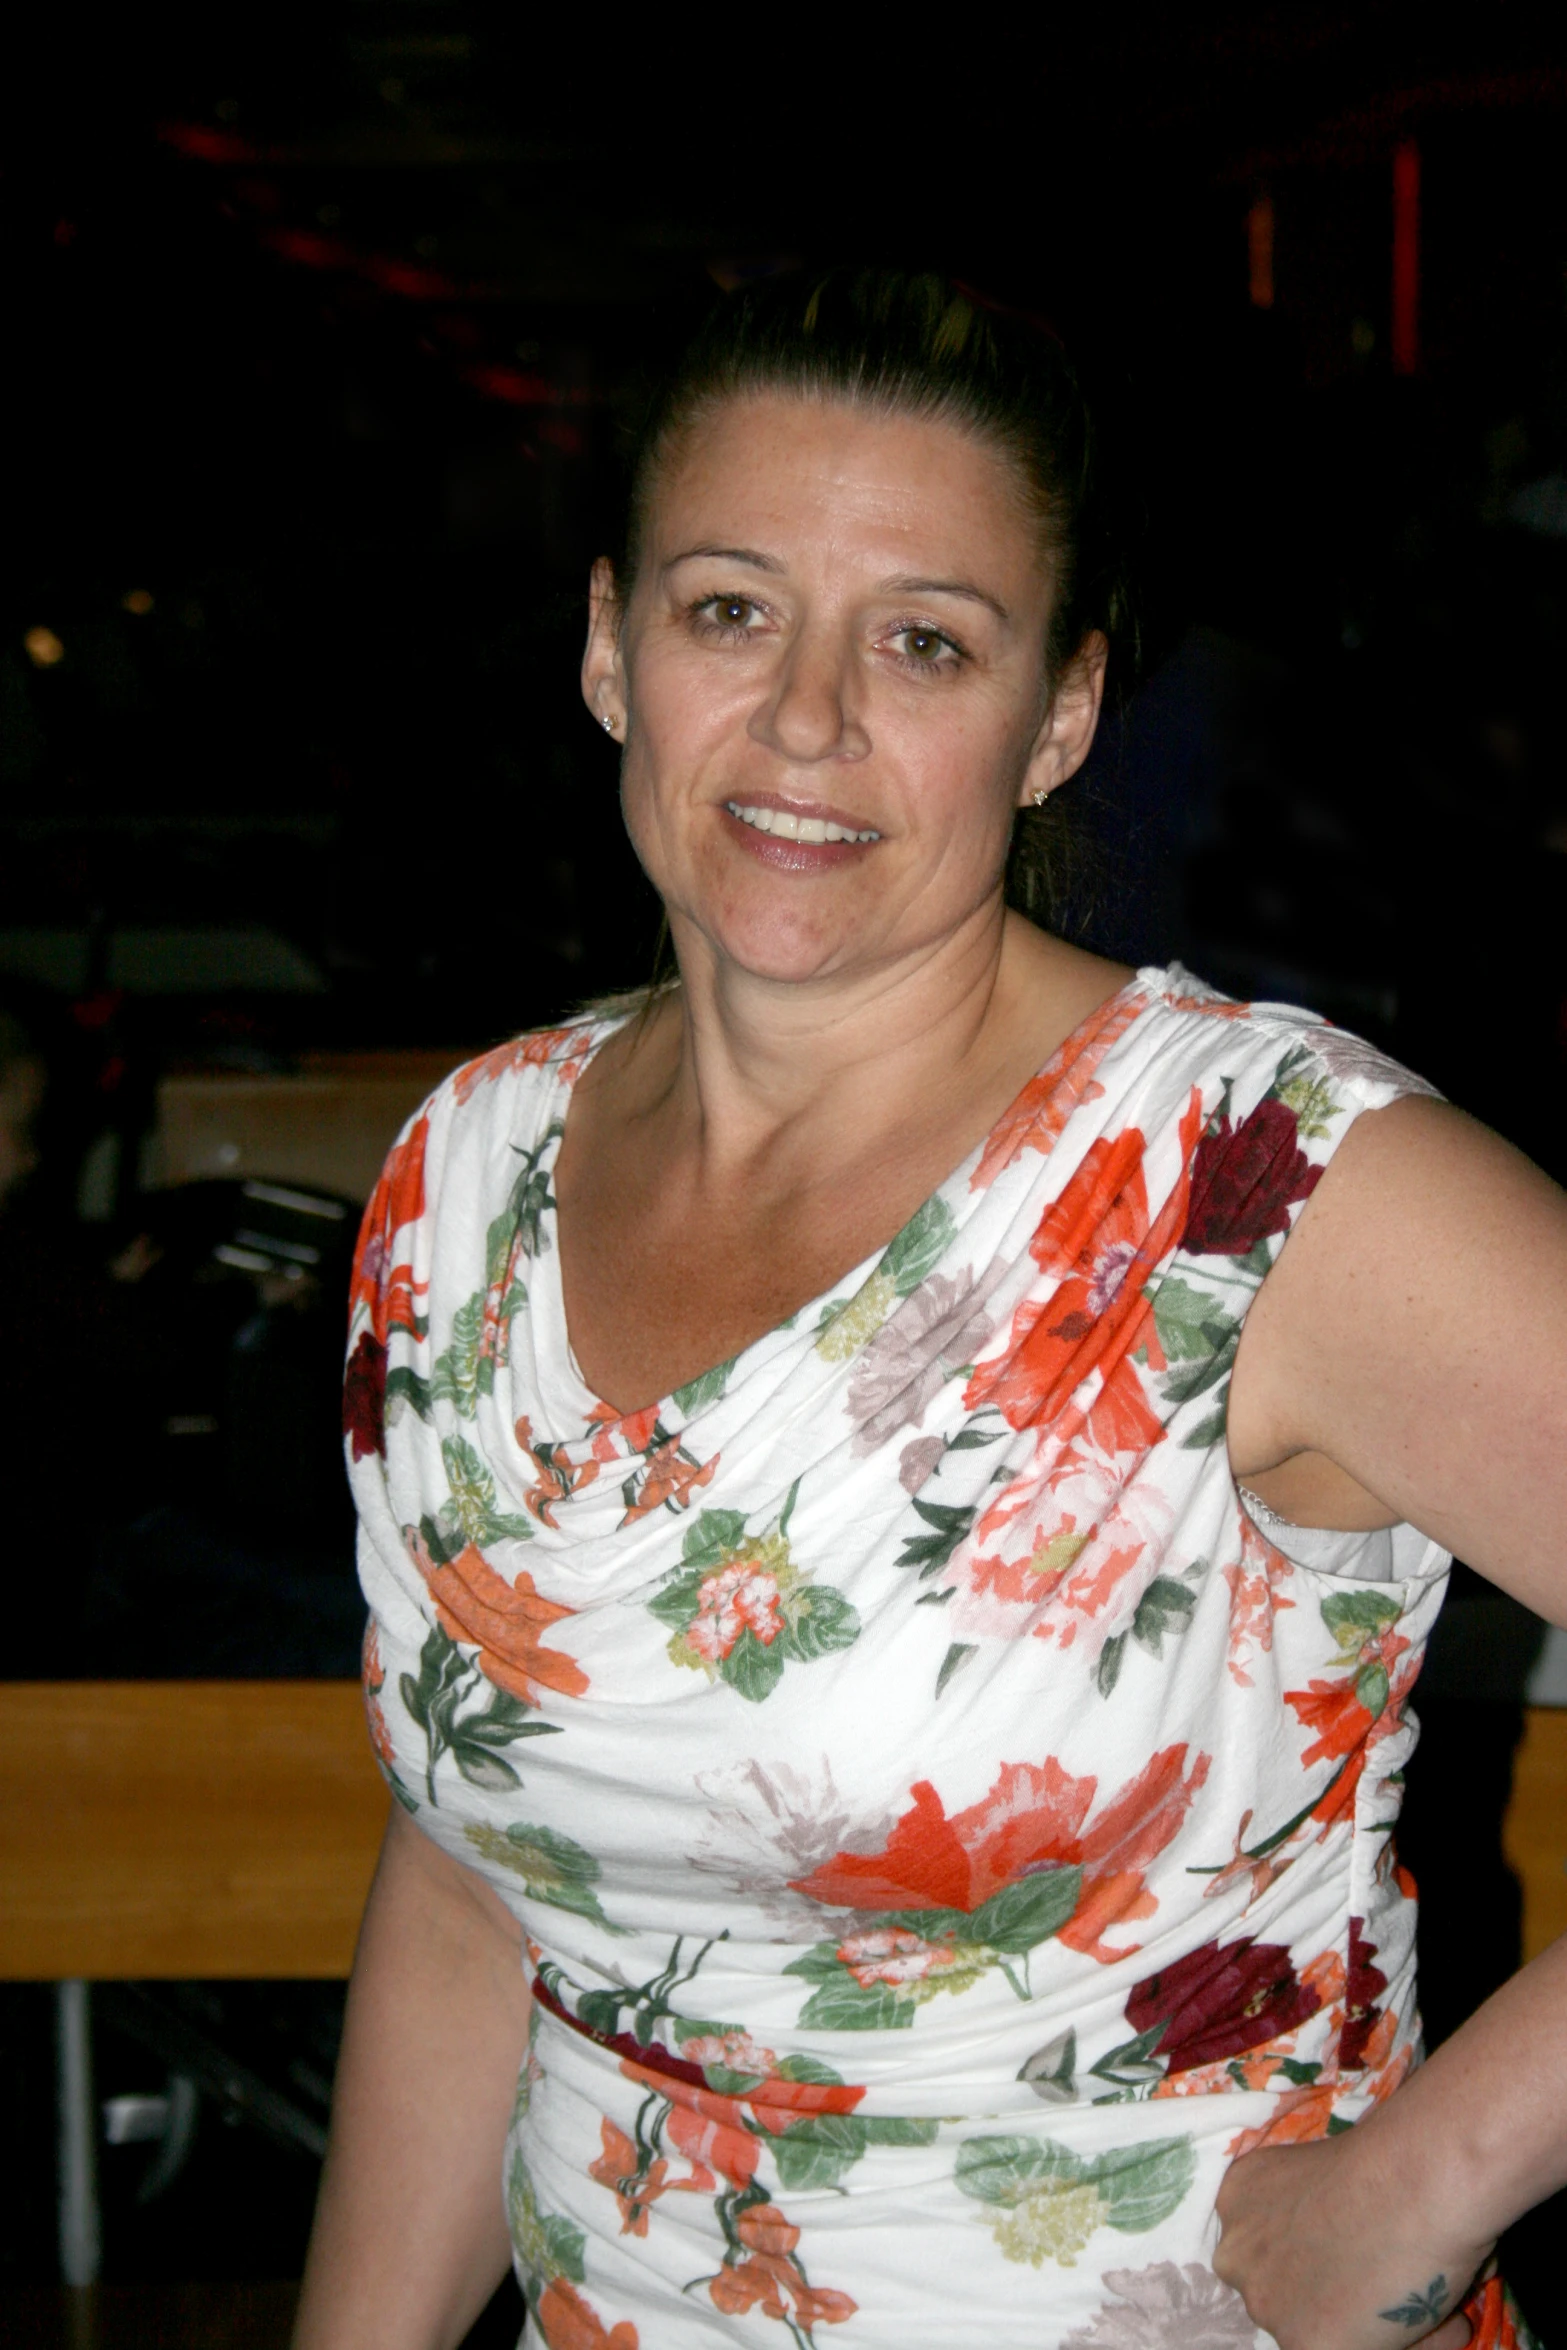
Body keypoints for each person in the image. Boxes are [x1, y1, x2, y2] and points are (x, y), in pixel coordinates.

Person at [293, 273, 1567, 2350]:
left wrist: (1429, 2181)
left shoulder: (1264, 1189)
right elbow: (471, 1874)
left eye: (923, 641)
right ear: (612, 643)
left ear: (1058, 713)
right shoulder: (469, 1175)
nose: (808, 720)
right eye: (731, 609)